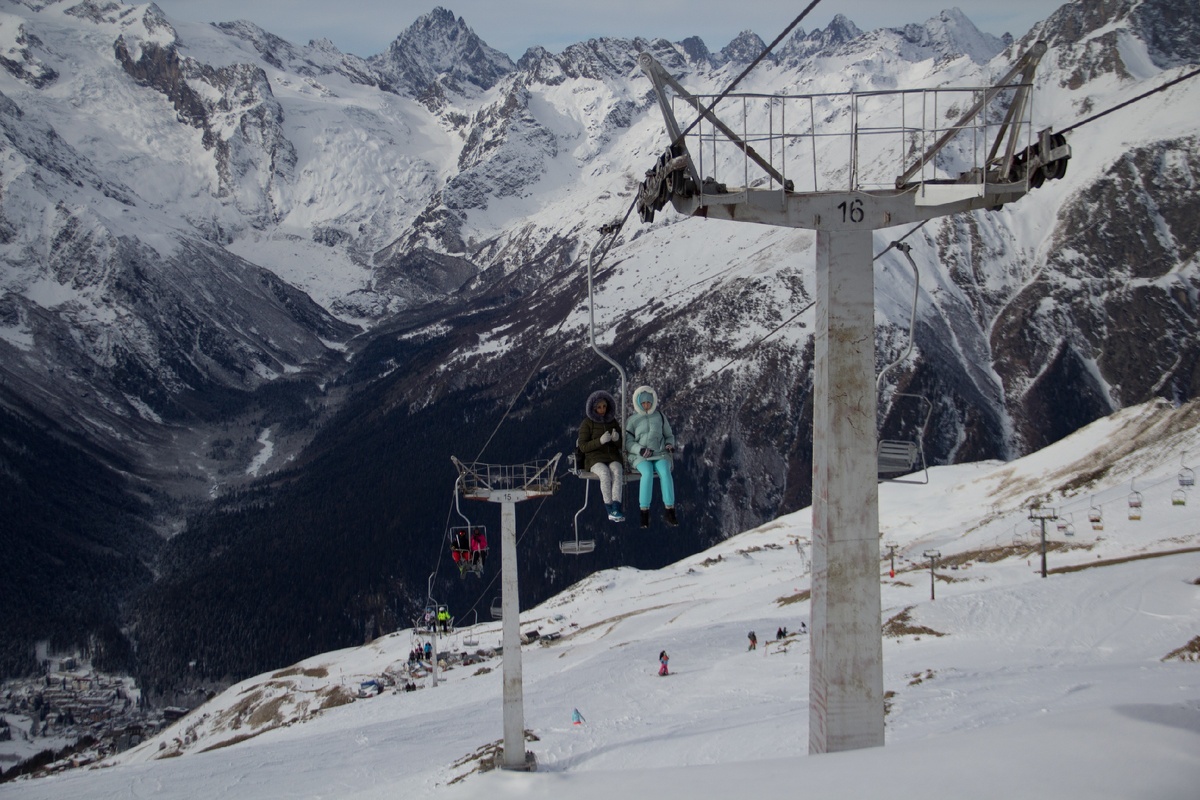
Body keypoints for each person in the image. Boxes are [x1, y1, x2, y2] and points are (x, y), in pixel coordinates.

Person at [625, 385, 677, 528]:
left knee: (665, 473)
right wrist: (639, 450)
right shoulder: (632, 420)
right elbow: (628, 442)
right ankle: (644, 512)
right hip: (640, 457)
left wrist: (669, 444)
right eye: (643, 403)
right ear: (638, 403)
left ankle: (670, 510)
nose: (646, 406)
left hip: (660, 453)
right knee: (646, 474)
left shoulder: (660, 416)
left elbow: (669, 435)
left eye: (648, 402)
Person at [577, 389, 626, 522]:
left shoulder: (612, 422)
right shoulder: (587, 424)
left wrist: (617, 440)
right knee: (604, 473)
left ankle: (616, 506)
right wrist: (600, 441)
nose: (602, 409)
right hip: (594, 458)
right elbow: (583, 446)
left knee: (617, 470)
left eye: (604, 406)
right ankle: (609, 508)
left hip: (612, 456)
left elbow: (622, 445)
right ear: (593, 408)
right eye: (599, 407)